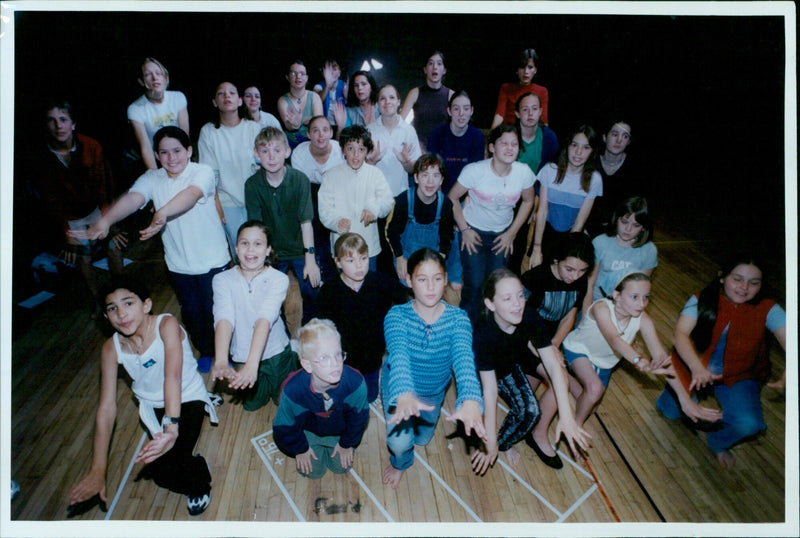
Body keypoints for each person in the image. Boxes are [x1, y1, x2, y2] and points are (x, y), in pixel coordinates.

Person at [74, 126, 230, 366]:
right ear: (157, 155)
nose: (172, 157)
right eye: (164, 152)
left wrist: (162, 213)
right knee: (192, 313)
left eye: (177, 150)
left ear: (189, 150)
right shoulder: (152, 178)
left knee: (218, 312)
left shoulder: (203, 172)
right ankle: (208, 351)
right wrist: (105, 220)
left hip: (214, 260)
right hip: (180, 264)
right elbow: (133, 198)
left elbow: (191, 195)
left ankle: (225, 354)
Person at [68, 278, 218, 516]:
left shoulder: (165, 324)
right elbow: (106, 409)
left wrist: (171, 428)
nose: (121, 313)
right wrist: (98, 470)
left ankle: (199, 477)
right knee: (160, 473)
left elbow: (173, 378)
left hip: (185, 395)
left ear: (146, 305)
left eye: (128, 303)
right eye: (112, 308)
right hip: (151, 405)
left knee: (173, 462)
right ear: (107, 317)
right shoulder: (110, 348)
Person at [655, 255, 786, 468]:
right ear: (722, 277)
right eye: (737, 279)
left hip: (738, 376)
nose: (744, 287)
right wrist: (697, 368)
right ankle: (674, 396)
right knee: (669, 411)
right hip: (692, 368)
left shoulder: (768, 308)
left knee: (749, 424)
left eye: (754, 283)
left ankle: (717, 443)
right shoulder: (701, 299)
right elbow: (680, 335)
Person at [381, 248, 487, 489]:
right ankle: (401, 464)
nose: (430, 287)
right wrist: (405, 394)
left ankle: (417, 435)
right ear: (408, 280)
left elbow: (463, 360)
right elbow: (398, 356)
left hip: (434, 392)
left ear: (446, 279)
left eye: (437, 279)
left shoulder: (459, 319)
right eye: (422, 279)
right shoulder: (396, 316)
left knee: (423, 439)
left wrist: (470, 399)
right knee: (400, 444)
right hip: (400, 390)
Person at [470, 268, 590, 475]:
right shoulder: (484, 334)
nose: (517, 304)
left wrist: (567, 416)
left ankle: (508, 440)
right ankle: (502, 443)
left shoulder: (528, 315)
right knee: (529, 411)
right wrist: (489, 443)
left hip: (518, 354)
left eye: (520, 295)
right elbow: (490, 392)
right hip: (495, 369)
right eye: (507, 298)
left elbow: (553, 366)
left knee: (556, 375)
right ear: (490, 304)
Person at [563, 273, 717, 428]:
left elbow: (662, 359)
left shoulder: (644, 320)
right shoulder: (601, 308)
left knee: (592, 405)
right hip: (577, 350)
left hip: (604, 361)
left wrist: (685, 400)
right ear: (617, 295)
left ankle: (563, 378)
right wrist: (640, 362)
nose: (642, 304)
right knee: (594, 390)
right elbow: (614, 339)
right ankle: (576, 428)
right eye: (634, 297)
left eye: (646, 297)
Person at [34, 99, 125, 311]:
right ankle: (97, 301)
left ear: (73, 124)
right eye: (52, 121)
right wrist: (66, 233)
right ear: (46, 125)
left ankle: (123, 291)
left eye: (63, 120)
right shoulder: (41, 158)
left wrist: (108, 223)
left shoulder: (91, 146)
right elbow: (50, 201)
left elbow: (104, 186)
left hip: (96, 208)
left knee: (113, 246)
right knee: (83, 257)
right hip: (70, 217)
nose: (58, 126)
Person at [448, 124, 535, 322]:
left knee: (496, 285)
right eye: (504, 143)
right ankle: (465, 329)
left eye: (514, 144)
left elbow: (529, 201)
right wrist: (465, 229)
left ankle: (490, 329)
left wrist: (511, 233)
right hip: (473, 232)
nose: (510, 148)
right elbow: (452, 198)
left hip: (502, 236)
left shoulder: (523, 173)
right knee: (475, 283)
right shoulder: (475, 171)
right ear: (492, 147)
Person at [520, 233, 593, 468]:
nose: (576, 276)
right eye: (570, 269)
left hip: (548, 342)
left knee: (554, 378)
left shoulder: (579, 281)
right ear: (555, 261)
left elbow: (570, 314)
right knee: (556, 376)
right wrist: (548, 351)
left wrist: (555, 344)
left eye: (582, 271)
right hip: (524, 341)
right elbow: (519, 322)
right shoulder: (534, 279)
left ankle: (538, 433)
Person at [211, 221, 297, 412]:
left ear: (268, 250)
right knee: (252, 405)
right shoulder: (221, 280)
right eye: (244, 243)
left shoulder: (279, 279)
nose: (250, 249)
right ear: (235, 248)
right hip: (241, 353)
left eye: (258, 244)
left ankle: (294, 359)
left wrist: (253, 364)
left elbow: (264, 319)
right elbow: (224, 318)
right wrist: (222, 360)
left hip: (276, 353)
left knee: (284, 400)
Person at [315, 233, 408, 402]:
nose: (359, 266)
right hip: (343, 360)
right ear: (338, 262)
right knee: (344, 397)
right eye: (350, 261)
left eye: (363, 258)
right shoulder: (329, 291)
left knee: (370, 397)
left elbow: (404, 300)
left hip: (373, 356)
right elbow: (320, 327)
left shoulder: (380, 282)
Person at [273, 318, 369, 479]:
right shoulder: (292, 391)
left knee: (341, 468)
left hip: (339, 430)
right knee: (313, 472)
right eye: (324, 358)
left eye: (338, 354)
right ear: (307, 365)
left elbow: (359, 419)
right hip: (308, 431)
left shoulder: (355, 383)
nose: (335, 364)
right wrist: (300, 449)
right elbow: (284, 427)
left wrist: (347, 444)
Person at [245, 127, 321, 324]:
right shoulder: (252, 185)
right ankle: (282, 337)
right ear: (256, 154)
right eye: (265, 151)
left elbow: (306, 223)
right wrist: (259, 261)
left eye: (277, 150)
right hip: (272, 251)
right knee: (270, 299)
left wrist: (310, 258)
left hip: (299, 247)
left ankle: (309, 329)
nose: (271, 157)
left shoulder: (300, 180)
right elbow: (256, 229)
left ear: (287, 152)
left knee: (313, 290)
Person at [426, 90, 486, 290]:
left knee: (461, 225)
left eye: (466, 109)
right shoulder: (437, 134)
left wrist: (462, 207)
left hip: (465, 196)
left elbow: (476, 176)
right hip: (438, 193)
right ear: (449, 111)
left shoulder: (477, 137)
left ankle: (454, 277)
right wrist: (442, 202)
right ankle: (433, 273)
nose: (461, 113)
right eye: (456, 108)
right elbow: (432, 172)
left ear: (472, 111)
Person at [198, 81, 263, 253]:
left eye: (232, 93)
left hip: (255, 200)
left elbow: (263, 166)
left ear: (240, 100)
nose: (227, 96)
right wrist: (217, 208)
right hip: (227, 202)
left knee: (260, 247)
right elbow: (209, 176)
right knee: (241, 250)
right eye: (221, 93)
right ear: (214, 102)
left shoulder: (253, 128)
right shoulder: (208, 132)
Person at [318, 125, 394, 272]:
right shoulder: (330, 176)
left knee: (368, 287)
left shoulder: (375, 174)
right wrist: (336, 222)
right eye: (350, 148)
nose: (356, 154)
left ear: (367, 151)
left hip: (369, 247)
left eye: (361, 149)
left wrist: (374, 209)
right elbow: (324, 209)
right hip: (342, 245)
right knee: (344, 289)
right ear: (342, 150)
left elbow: (387, 201)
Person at [530, 125, 602, 269]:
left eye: (586, 147)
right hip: (545, 233)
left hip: (571, 236)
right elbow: (542, 212)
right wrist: (537, 248)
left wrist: (567, 255)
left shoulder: (594, 179)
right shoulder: (549, 171)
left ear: (592, 151)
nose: (578, 152)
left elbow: (580, 222)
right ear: (567, 146)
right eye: (574, 145)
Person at [509, 92, 559, 274]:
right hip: (507, 193)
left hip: (533, 195)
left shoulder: (549, 138)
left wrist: (536, 199)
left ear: (541, 112)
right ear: (517, 113)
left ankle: (514, 274)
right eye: (525, 109)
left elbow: (550, 175)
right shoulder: (509, 135)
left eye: (534, 109)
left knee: (521, 237)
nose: (530, 114)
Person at [290, 115, 345, 282]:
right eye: (315, 130)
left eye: (325, 130)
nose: (321, 135)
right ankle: (320, 269)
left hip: (337, 191)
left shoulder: (340, 150)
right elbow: (301, 189)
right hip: (310, 192)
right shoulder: (299, 153)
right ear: (308, 135)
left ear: (331, 133)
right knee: (315, 225)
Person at [386, 154, 455, 283]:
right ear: (416, 177)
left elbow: (447, 236)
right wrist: (399, 258)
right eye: (425, 175)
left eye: (436, 175)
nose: (430, 181)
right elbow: (392, 232)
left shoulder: (445, 204)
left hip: (432, 257)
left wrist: (439, 262)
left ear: (441, 180)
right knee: (405, 288)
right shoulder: (403, 201)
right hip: (405, 256)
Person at [583, 197, 657, 316]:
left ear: (643, 227)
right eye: (624, 222)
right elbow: (589, 284)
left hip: (625, 309)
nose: (628, 229)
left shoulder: (649, 251)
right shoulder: (600, 242)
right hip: (595, 303)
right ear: (616, 219)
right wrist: (586, 314)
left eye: (636, 225)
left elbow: (640, 289)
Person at [127, 58, 190, 171]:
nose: (155, 78)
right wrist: (156, 176)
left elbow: (184, 135)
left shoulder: (178, 98)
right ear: (141, 81)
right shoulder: (135, 109)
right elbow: (145, 147)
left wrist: (183, 167)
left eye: (158, 73)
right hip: (156, 158)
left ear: (166, 78)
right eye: (148, 74)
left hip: (178, 155)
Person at [585, 119, 642, 237]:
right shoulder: (590, 163)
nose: (619, 140)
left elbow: (637, 208)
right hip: (588, 229)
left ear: (629, 142)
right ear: (605, 137)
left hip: (620, 233)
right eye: (615, 134)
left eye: (625, 136)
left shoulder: (635, 170)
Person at [367, 84, 422, 197]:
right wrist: (372, 161)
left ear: (398, 102)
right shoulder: (369, 130)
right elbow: (361, 169)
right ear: (377, 104)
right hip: (373, 195)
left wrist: (405, 162)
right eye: (382, 98)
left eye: (392, 97)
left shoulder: (408, 130)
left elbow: (414, 169)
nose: (387, 102)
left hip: (401, 196)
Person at [399, 51, 454, 151]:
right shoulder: (415, 93)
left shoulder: (451, 95)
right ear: (425, 69)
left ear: (444, 70)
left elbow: (459, 126)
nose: (435, 67)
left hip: (444, 149)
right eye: (431, 63)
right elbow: (399, 122)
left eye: (439, 63)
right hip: (419, 149)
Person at [491, 48, 549, 128]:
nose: (526, 72)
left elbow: (543, 120)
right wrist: (493, 136)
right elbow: (499, 115)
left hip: (531, 132)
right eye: (522, 67)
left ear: (535, 70)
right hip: (509, 132)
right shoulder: (506, 88)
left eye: (530, 67)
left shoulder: (542, 91)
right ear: (517, 70)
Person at [277, 60, 324, 148]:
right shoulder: (282, 100)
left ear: (306, 78)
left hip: (313, 143)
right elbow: (288, 125)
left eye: (302, 73)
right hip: (291, 143)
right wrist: (295, 124)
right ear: (287, 77)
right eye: (294, 73)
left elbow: (319, 123)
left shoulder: (314, 97)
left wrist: (302, 120)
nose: (298, 77)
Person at [313, 60, 348, 127]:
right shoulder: (319, 86)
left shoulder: (344, 85)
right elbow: (317, 101)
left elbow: (351, 102)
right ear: (323, 73)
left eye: (334, 69)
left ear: (339, 73)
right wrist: (327, 86)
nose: (331, 72)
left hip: (342, 123)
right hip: (324, 124)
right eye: (328, 70)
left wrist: (346, 95)